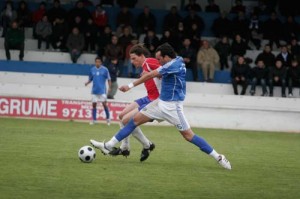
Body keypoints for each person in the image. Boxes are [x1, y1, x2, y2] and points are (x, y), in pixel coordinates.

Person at [90, 43, 231, 170]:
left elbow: (151, 74)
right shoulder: (173, 63)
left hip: (173, 108)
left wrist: (130, 85)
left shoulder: (173, 65)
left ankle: (218, 156)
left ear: (166, 57)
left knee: (189, 136)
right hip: (158, 104)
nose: (158, 62)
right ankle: (109, 146)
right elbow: (156, 75)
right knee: (132, 121)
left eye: (160, 59)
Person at [109, 44, 160, 161]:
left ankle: (130, 147)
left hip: (155, 101)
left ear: (141, 56)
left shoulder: (150, 62)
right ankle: (141, 145)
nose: (132, 62)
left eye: (134, 58)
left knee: (127, 120)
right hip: (148, 97)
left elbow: (164, 70)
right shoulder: (144, 67)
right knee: (121, 116)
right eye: (131, 59)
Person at [85, 57, 112, 125]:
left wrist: (109, 87)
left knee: (104, 105)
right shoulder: (92, 70)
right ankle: (94, 120)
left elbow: (109, 79)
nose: (97, 63)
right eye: (96, 62)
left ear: (101, 62)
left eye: (99, 62)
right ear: (95, 62)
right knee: (94, 105)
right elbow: (90, 78)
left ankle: (108, 119)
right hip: (94, 91)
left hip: (102, 90)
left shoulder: (105, 70)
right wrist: (87, 82)